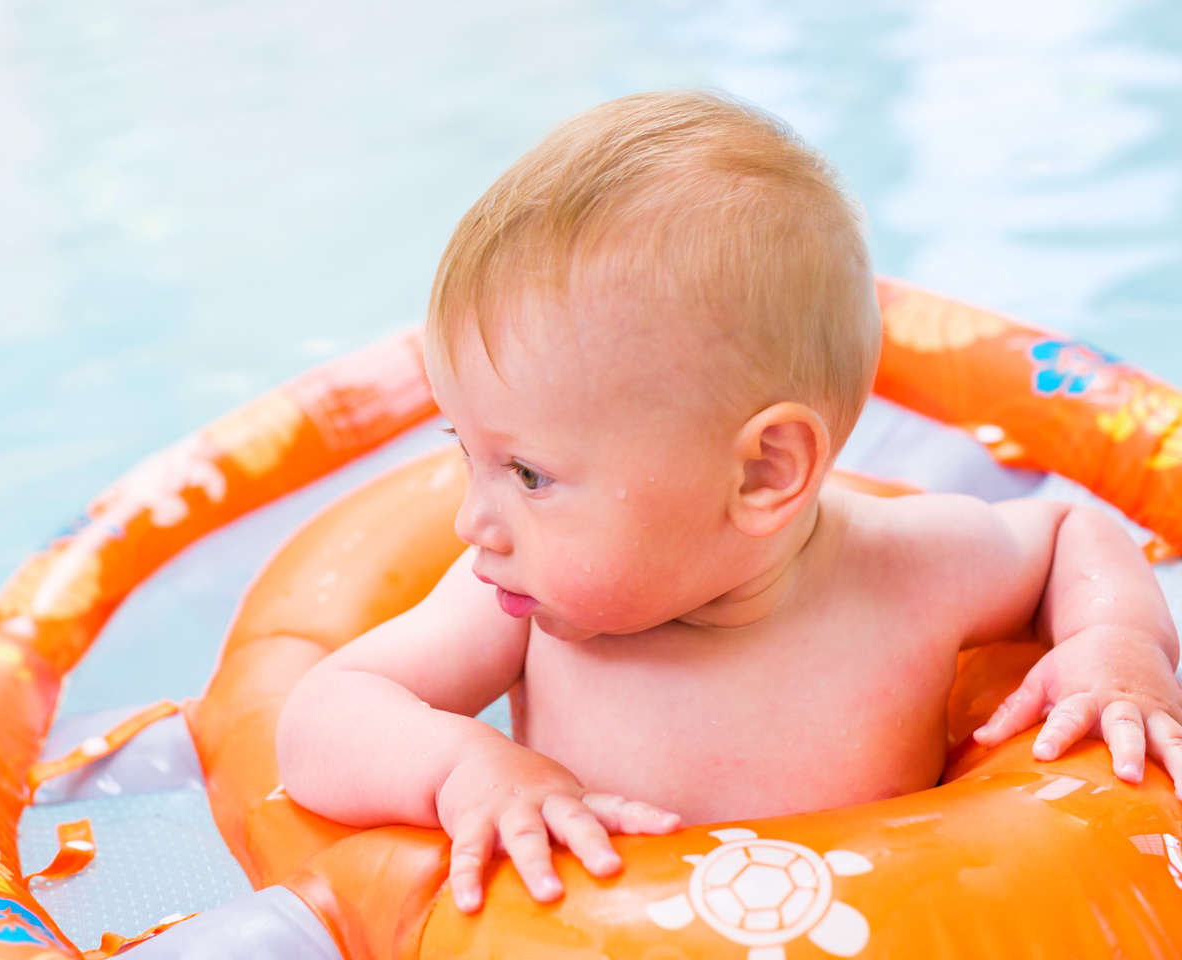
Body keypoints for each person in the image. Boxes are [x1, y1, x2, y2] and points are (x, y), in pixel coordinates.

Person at [274, 90, 1182, 915]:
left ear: (763, 473)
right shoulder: (513, 611)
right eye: (464, 453)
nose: (473, 522)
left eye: (530, 475)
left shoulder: (915, 568)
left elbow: (1073, 528)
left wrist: (1116, 646)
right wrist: (467, 768)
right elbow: (322, 718)